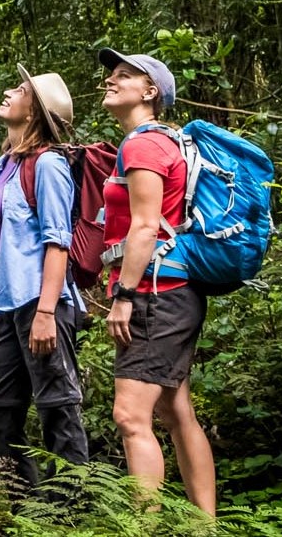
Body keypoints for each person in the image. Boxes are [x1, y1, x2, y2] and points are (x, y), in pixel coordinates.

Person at [98, 48, 216, 515]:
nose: (111, 80)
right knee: (175, 411)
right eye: (112, 73)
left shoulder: (143, 144)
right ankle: (204, 525)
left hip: (154, 292)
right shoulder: (168, 142)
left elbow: (145, 227)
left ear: (150, 93)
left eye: (124, 75)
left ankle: (144, 527)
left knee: (130, 415)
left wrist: (124, 296)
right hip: (176, 291)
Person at [0, 64, 89, 489]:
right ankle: (34, 506)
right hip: (12, 309)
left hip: (44, 303)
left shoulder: (48, 165)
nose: (8, 91)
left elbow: (57, 242)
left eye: (20, 89)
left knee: (57, 405)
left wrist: (45, 310)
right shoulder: (5, 165)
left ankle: (74, 510)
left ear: (35, 112)